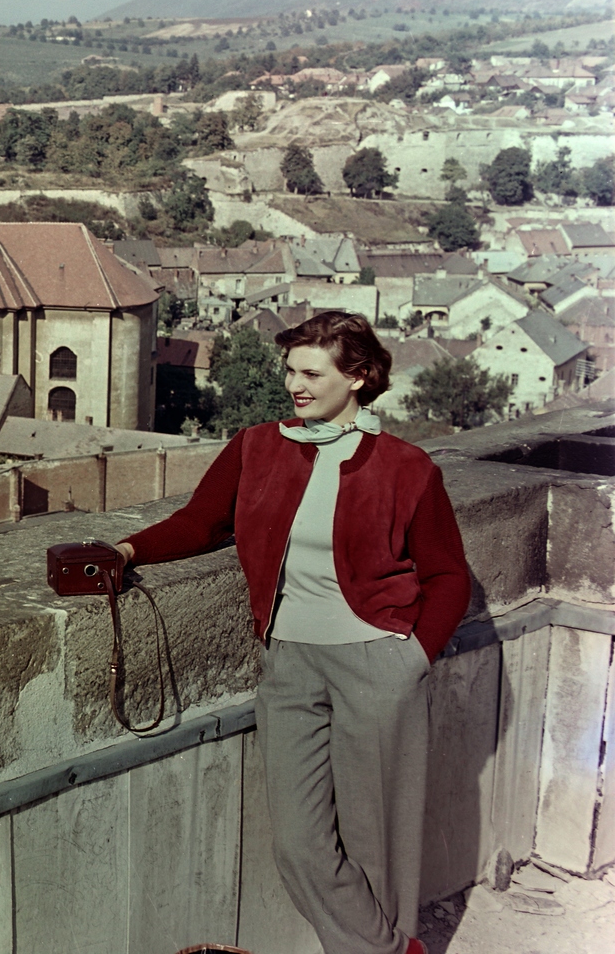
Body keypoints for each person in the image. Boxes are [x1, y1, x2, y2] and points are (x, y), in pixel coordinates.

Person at [115, 311, 470, 954]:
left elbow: (448, 574)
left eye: (311, 372)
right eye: (290, 371)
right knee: (299, 843)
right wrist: (126, 551)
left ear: (357, 376)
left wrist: (413, 658)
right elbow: (200, 523)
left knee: (376, 842)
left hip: (377, 662)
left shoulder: (406, 467)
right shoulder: (257, 447)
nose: (294, 385)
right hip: (288, 663)